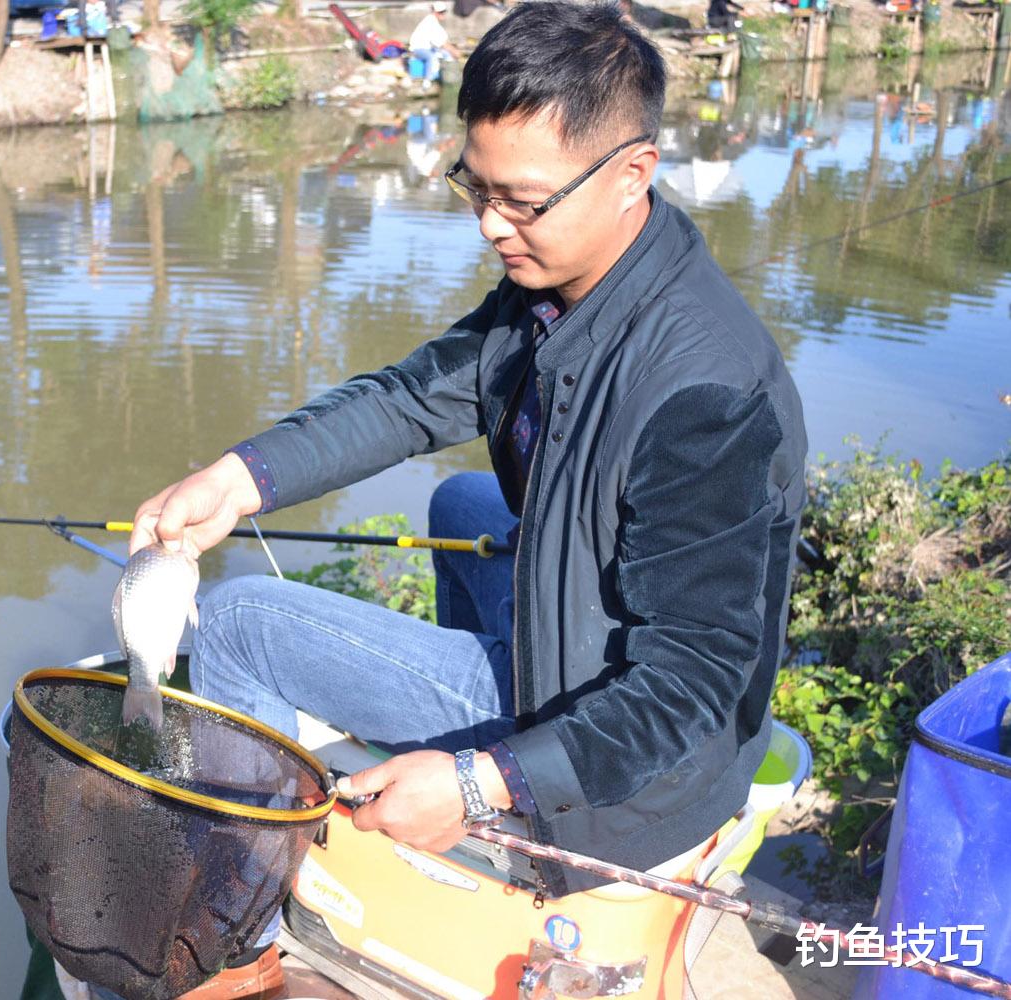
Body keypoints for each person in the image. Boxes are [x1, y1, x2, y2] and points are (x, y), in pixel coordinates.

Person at [126, 0, 806, 992]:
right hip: (581, 664)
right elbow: (411, 398)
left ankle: (239, 933)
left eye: (521, 201)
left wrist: (487, 781)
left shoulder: (706, 394)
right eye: (475, 188)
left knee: (237, 624)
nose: (491, 225)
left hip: (629, 779)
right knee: (466, 510)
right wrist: (241, 477)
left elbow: (691, 691)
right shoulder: (565, 288)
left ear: (633, 174)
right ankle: (448, 772)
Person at [407, 1, 460, 83]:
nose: (443, 14)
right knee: (432, 57)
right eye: (441, 12)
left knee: (446, 55)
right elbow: (441, 43)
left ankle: (446, 78)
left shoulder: (433, 21)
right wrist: (454, 51)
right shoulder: (430, 22)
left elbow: (442, 40)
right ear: (435, 12)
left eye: (444, 12)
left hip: (427, 48)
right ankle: (427, 81)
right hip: (418, 49)